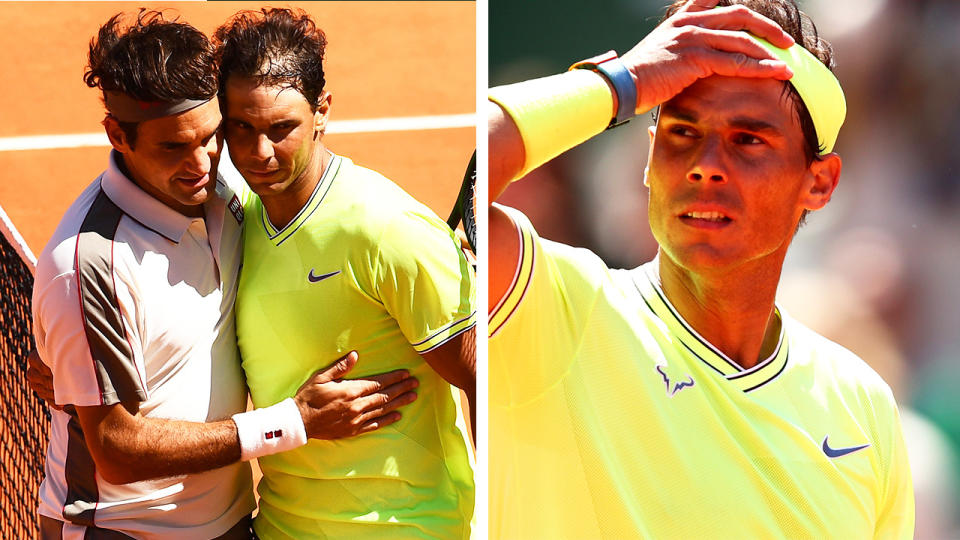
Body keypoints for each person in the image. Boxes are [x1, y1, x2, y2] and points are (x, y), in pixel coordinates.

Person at [488, 0, 914, 537]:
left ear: (820, 182)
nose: (706, 167)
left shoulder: (861, 403)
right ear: (648, 157)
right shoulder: (550, 307)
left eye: (748, 140)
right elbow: (442, 176)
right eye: (683, 133)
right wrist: (622, 81)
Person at [31, 12, 419, 539]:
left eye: (212, 136)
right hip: (124, 531)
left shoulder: (228, 190)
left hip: (230, 522)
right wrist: (291, 422)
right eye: (173, 146)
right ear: (117, 135)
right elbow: (117, 451)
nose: (201, 164)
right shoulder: (87, 267)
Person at [212, 8, 476, 539]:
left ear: (322, 111)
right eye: (241, 127)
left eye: (281, 129)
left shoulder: (387, 230)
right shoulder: (239, 216)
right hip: (282, 526)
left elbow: (489, 384)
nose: (259, 153)